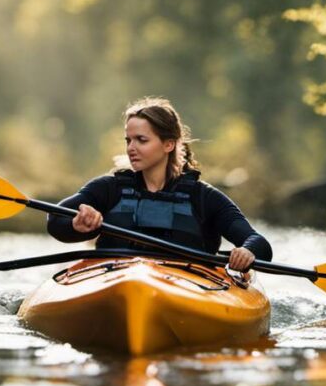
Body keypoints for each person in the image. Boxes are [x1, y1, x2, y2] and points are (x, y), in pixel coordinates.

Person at [47, 97, 272, 271]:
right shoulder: (109, 188)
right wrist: (76, 225)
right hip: (114, 279)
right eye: (129, 140)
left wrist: (247, 251)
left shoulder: (204, 198)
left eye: (141, 140)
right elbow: (55, 219)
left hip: (187, 286)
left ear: (168, 145)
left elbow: (258, 242)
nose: (131, 148)